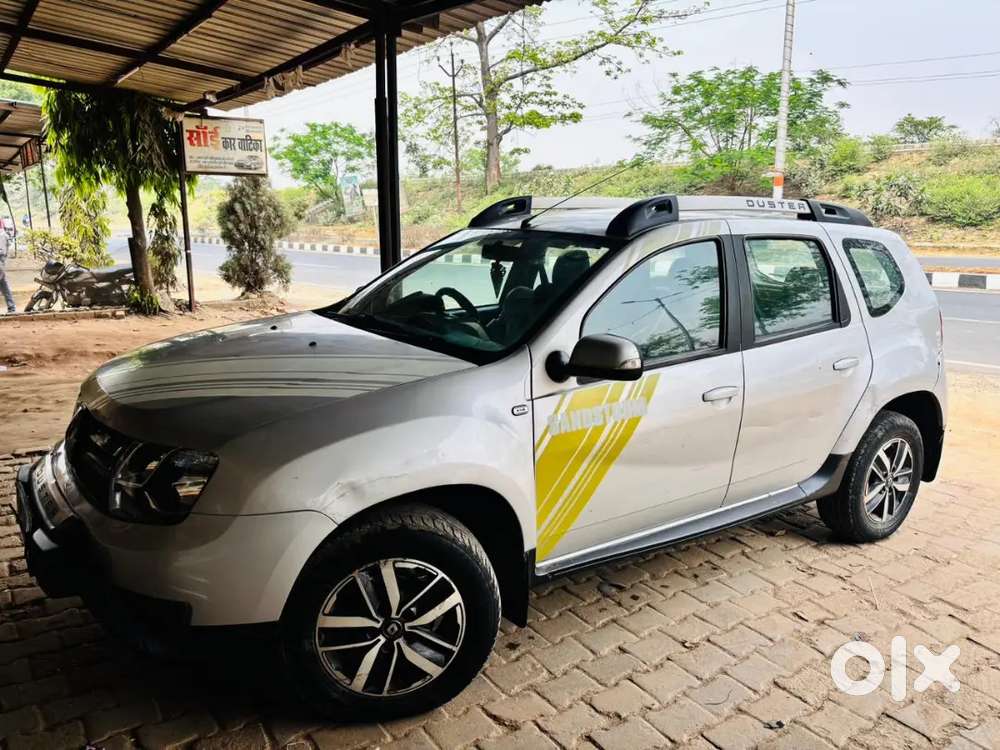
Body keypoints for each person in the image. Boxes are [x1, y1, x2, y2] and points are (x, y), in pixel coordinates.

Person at [0, 228, 14, 313]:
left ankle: (11, 306)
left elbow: (1, 251)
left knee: (4, 285)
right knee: (4, 285)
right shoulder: (4, 234)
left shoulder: (1, 235)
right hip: (1, 263)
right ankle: (11, 306)